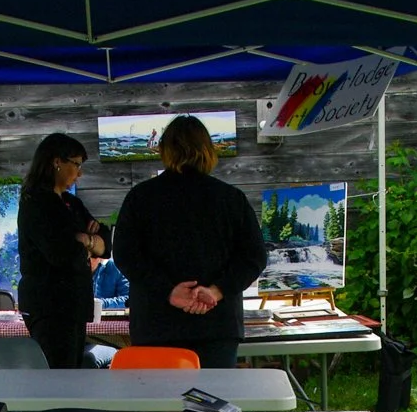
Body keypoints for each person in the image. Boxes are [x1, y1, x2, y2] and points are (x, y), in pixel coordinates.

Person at [110, 115, 265, 372]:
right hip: (216, 324)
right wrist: (216, 290)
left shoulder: (141, 198)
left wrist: (169, 291)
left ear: (164, 150)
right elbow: (254, 257)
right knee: (214, 407)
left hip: (156, 323)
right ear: (208, 150)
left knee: (157, 407)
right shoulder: (231, 199)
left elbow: (126, 255)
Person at [14, 133, 108, 369]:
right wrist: (86, 243)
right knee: (58, 373)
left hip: (74, 304)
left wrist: (85, 241)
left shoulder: (72, 203)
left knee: (72, 372)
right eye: (76, 164)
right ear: (57, 161)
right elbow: (61, 254)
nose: (80, 172)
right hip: (50, 306)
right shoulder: (36, 202)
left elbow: (106, 243)